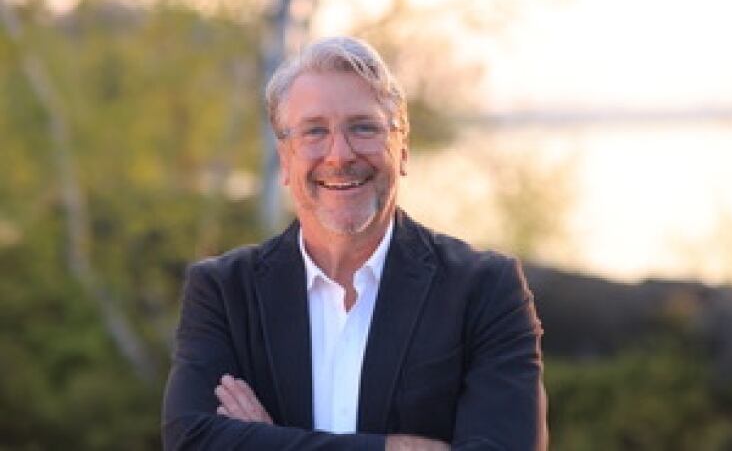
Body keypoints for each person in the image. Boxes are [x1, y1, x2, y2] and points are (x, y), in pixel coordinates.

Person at [162, 36, 547, 450]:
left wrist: (268, 441)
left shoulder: (486, 289)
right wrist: (390, 448)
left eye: (363, 127)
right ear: (286, 159)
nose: (339, 154)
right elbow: (192, 440)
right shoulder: (223, 291)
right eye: (314, 132)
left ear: (403, 148)